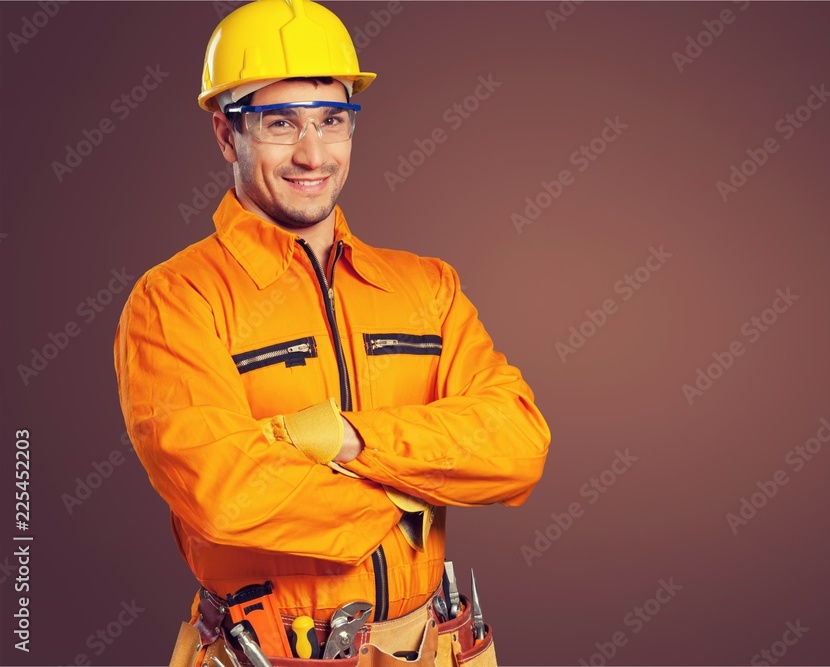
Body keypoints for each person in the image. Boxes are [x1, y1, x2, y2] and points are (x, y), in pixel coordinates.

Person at [112, 0, 551, 664]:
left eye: (332, 120)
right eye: (280, 122)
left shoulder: (426, 286)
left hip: (436, 649)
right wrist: (413, 492)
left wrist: (350, 437)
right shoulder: (176, 299)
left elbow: (518, 445)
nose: (312, 152)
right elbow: (224, 493)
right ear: (228, 134)